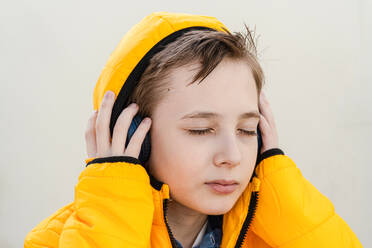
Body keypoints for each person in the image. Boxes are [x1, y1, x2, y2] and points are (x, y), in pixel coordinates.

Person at [24, 12, 363, 248]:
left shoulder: (277, 233)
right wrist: (114, 202)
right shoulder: (52, 241)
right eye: (201, 130)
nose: (232, 156)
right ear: (130, 137)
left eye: (247, 130)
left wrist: (280, 187)